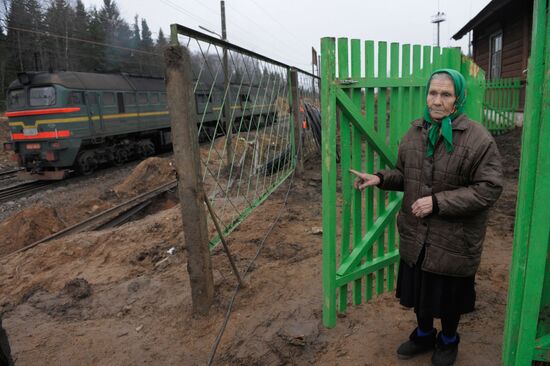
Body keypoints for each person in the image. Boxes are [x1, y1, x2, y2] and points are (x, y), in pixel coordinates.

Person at [351, 69, 503, 366]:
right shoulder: (413, 134)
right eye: (433, 93)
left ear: (458, 99)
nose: (437, 100)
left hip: (454, 240)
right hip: (416, 234)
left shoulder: (478, 139)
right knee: (419, 291)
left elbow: (489, 189)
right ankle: (423, 334)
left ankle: (448, 339)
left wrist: (438, 202)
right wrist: (380, 178)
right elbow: (407, 176)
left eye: (445, 94)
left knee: (448, 298)